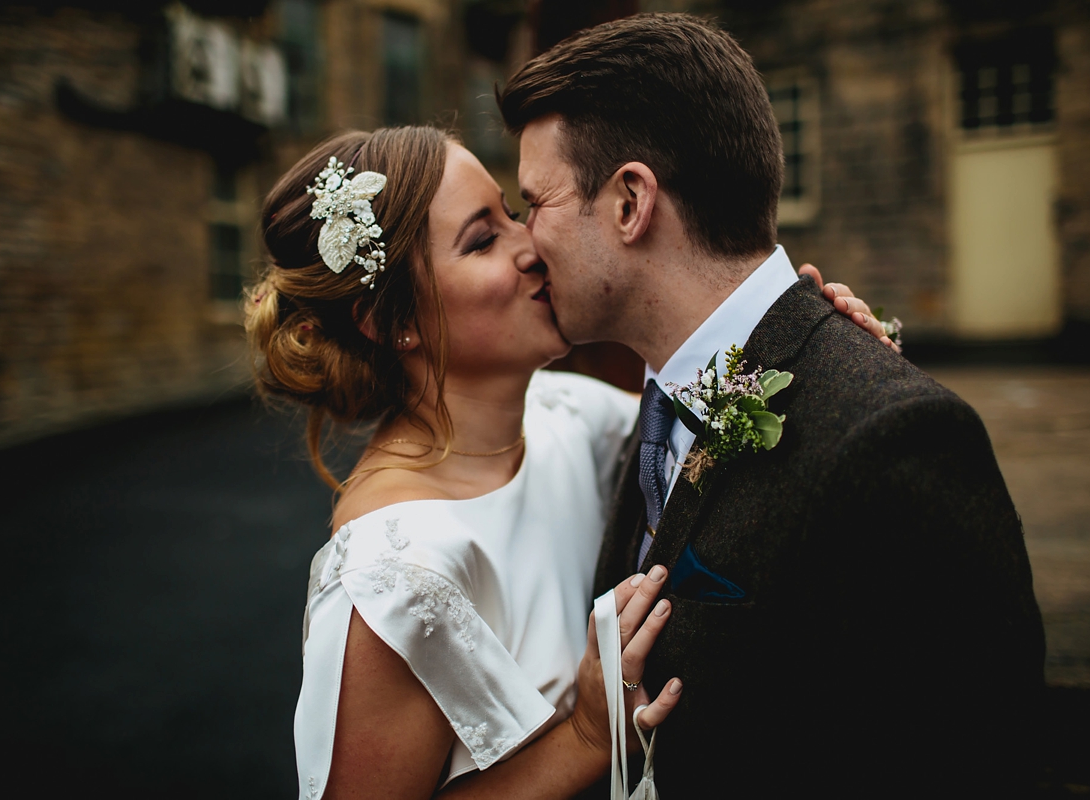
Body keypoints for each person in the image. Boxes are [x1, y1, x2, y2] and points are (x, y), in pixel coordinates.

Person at [246, 126, 889, 798]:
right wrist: (586, 734)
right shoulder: (391, 576)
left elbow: (707, 430)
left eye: (511, 213)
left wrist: (808, 349)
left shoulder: (571, 416)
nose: (531, 246)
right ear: (389, 319)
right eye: (482, 239)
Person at [497, 12, 1047, 797]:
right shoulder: (653, 406)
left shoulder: (895, 441)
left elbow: (974, 759)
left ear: (629, 203)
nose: (523, 241)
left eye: (533, 203)